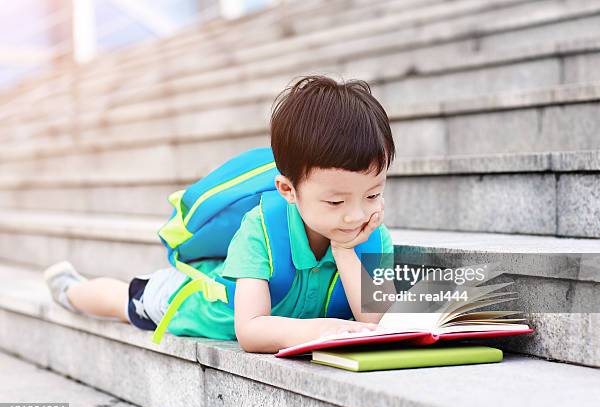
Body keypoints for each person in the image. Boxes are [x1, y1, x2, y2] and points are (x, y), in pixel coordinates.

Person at [44, 75, 396, 353]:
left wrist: (346, 250)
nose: (356, 214)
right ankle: (71, 291)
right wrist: (317, 330)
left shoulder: (370, 234)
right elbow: (251, 330)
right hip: (194, 307)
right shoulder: (260, 229)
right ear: (288, 190)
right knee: (125, 301)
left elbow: (377, 320)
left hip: (283, 316)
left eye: (373, 194)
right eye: (336, 203)